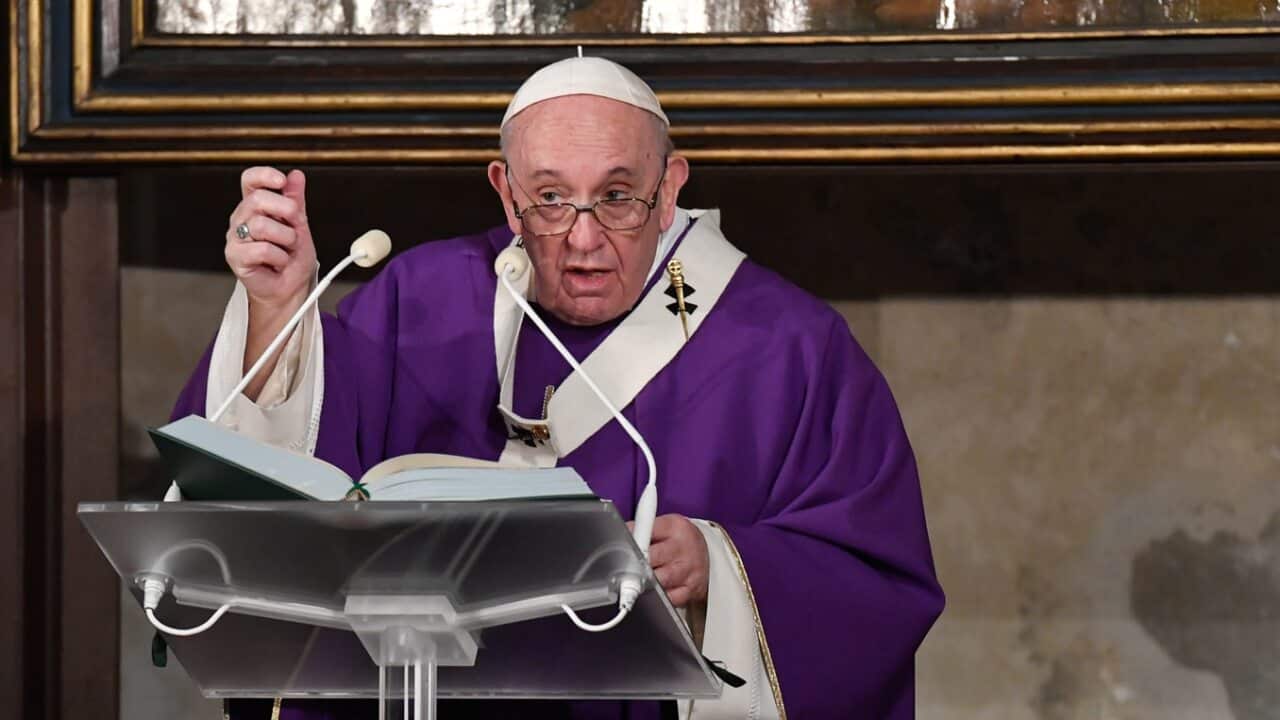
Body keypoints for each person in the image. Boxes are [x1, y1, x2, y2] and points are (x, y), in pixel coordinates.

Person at [171, 55, 944, 720]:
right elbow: (275, 489)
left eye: (617, 196)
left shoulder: (789, 348)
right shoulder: (418, 301)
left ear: (669, 186)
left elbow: (875, 579)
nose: (581, 238)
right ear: (505, 191)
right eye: (548, 198)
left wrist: (723, 569)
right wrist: (278, 309)